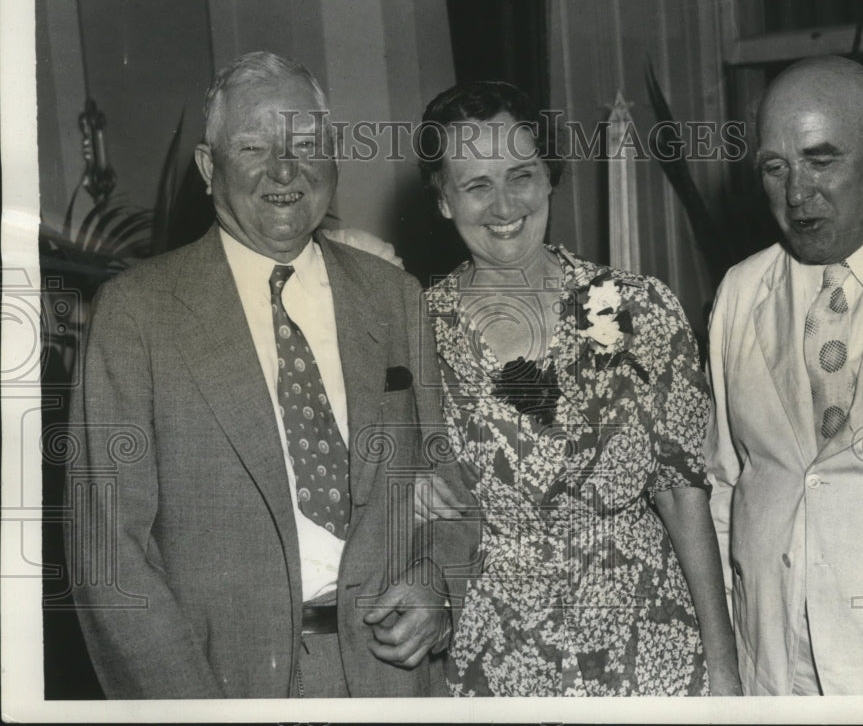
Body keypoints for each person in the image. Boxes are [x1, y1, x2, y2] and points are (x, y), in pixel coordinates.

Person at [66, 51, 475, 698]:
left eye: (306, 143)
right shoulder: (138, 312)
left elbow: (445, 488)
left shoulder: (393, 296)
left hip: (392, 680)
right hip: (222, 685)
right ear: (209, 167)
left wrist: (439, 583)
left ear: (333, 155)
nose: (285, 169)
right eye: (253, 145)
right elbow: (108, 556)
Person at [413, 81, 741, 696]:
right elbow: (398, 487)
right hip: (498, 659)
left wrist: (722, 664)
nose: (504, 204)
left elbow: (681, 493)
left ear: (550, 179)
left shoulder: (628, 306)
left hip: (649, 642)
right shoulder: (417, 331)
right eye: (476, 184)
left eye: (522, 175)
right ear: (442, 200)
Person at [704, 55, 863, 695]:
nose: (797, 193)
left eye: (822, 160)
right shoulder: (742, 291)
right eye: (775, 168)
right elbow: (723, 484)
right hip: (775, 668)